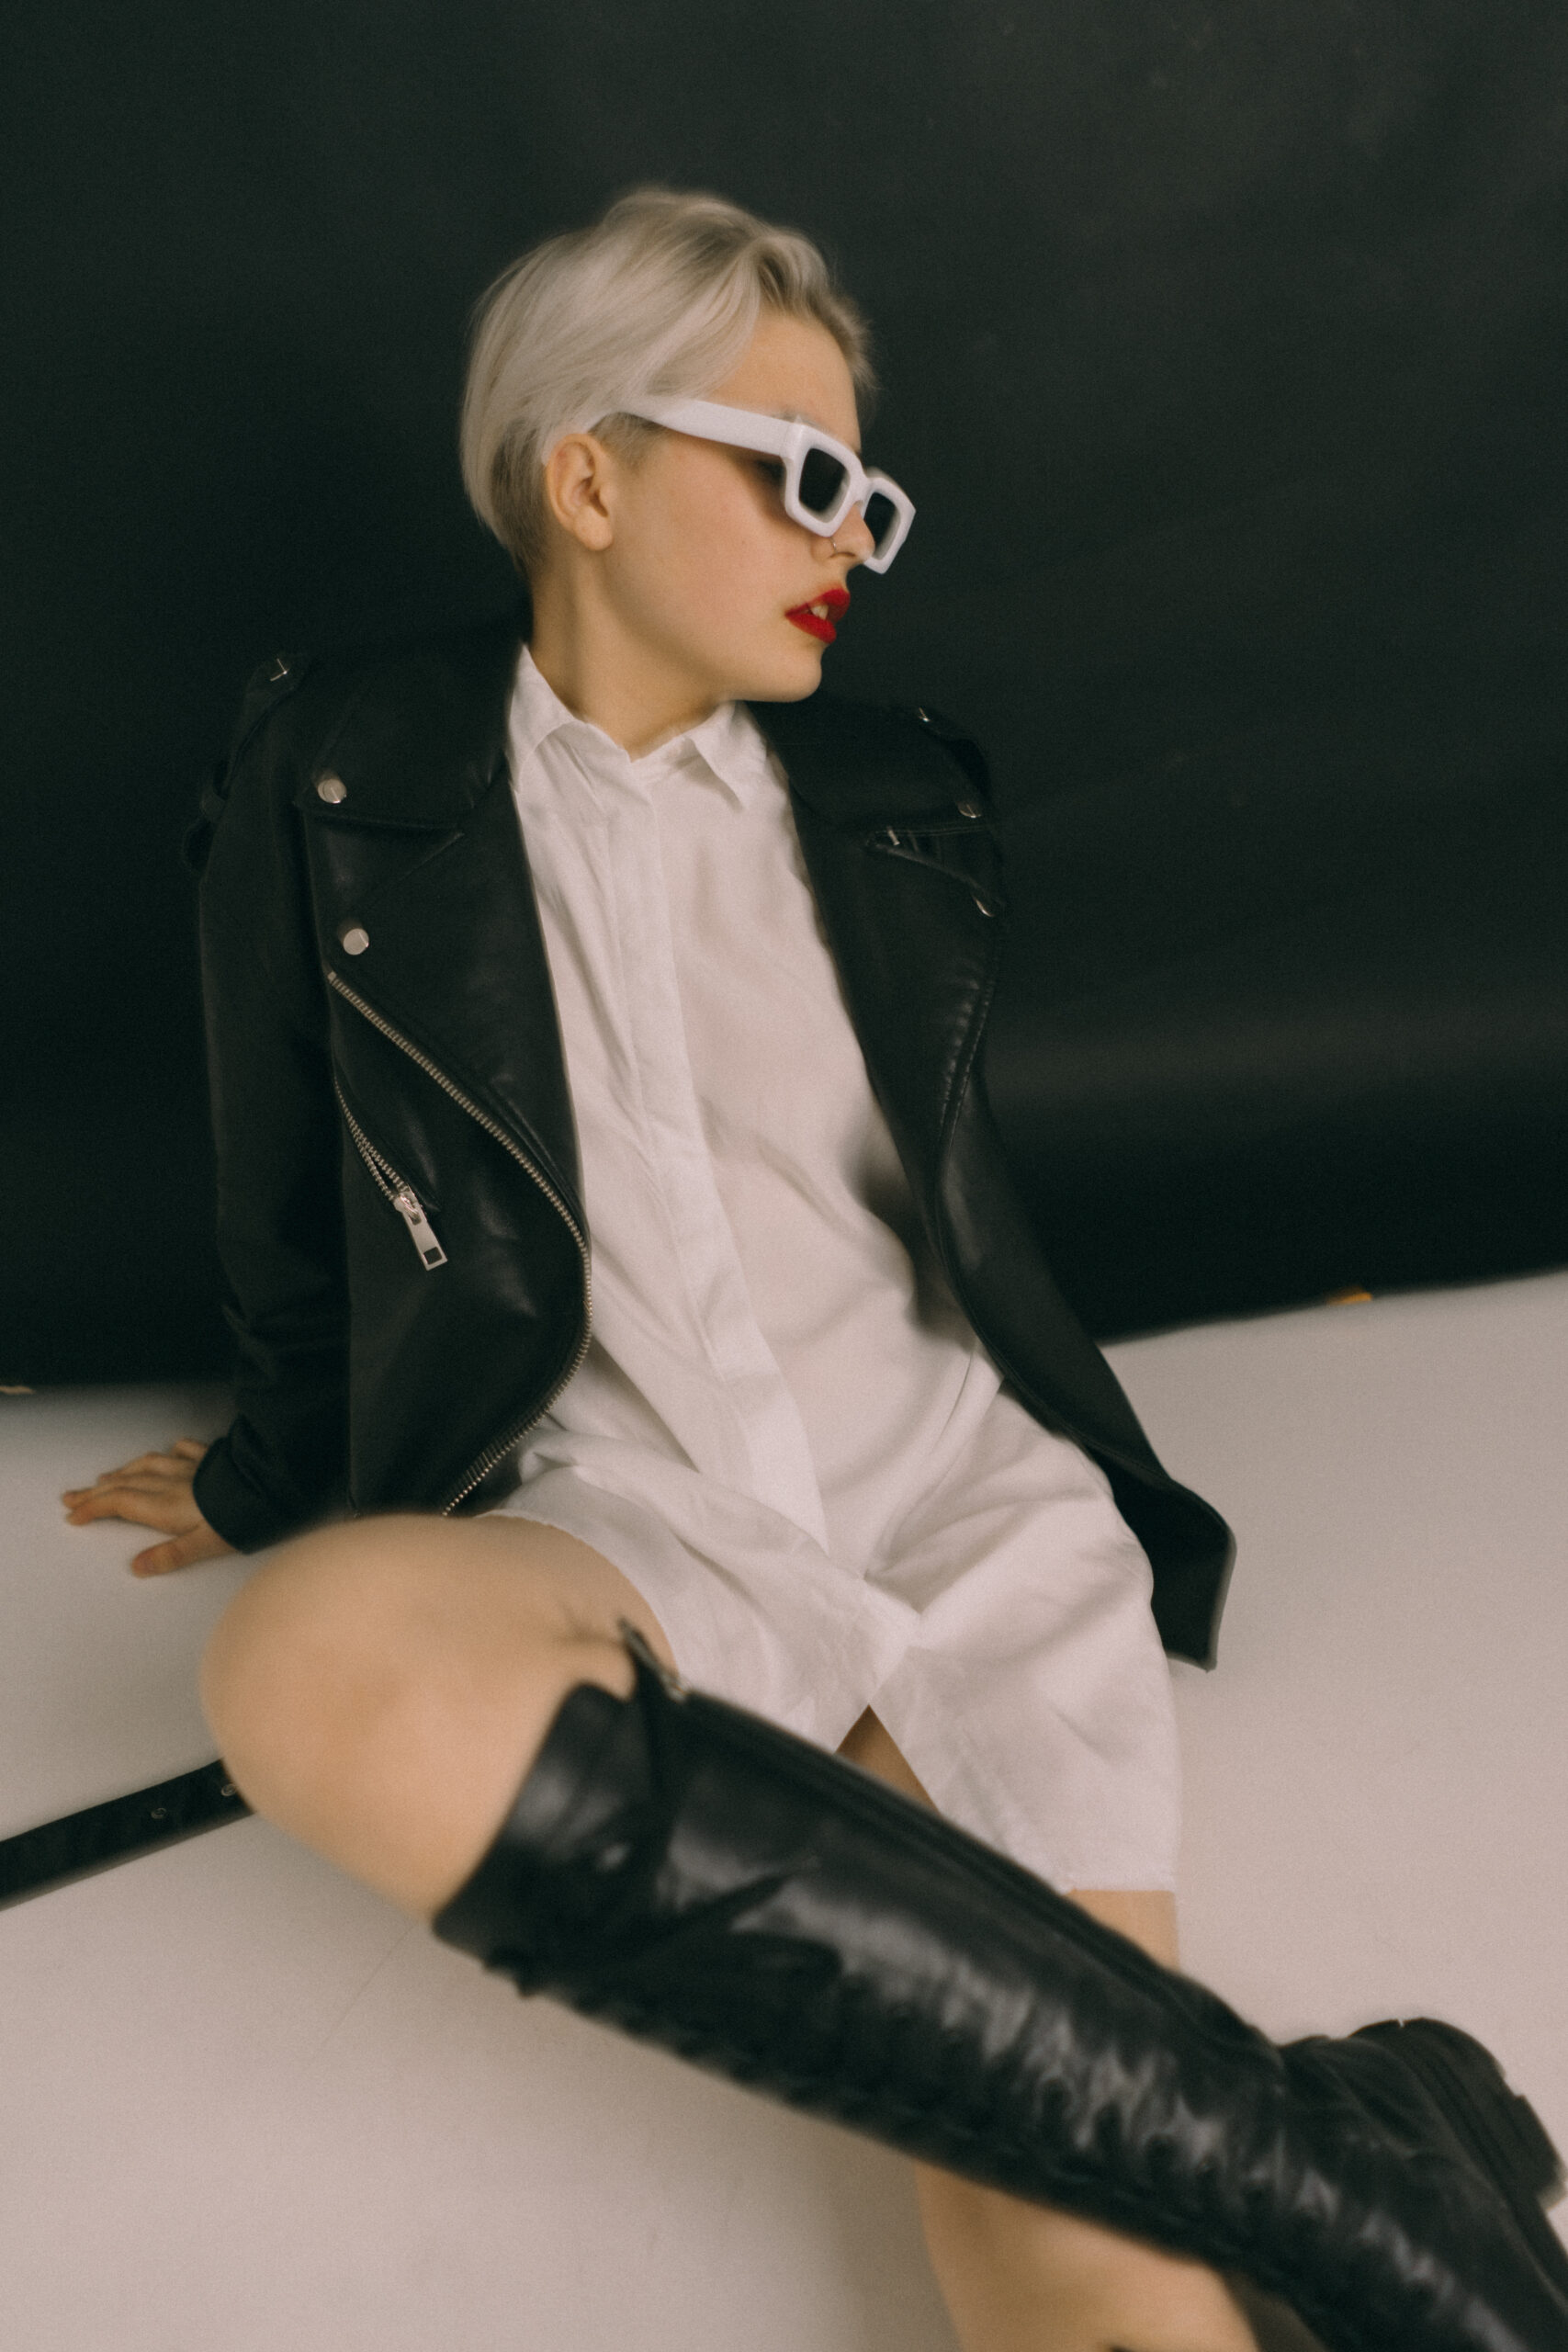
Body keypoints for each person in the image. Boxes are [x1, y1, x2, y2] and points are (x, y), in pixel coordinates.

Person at [63, 188, 1567, 2351]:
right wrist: (270, 1462)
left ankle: (1324, 2172)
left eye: (869, 494)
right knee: (311, 1658)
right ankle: (1363, 2164)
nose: (849, 536)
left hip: (955, 1506)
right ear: (584, 478)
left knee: (1069, 2251)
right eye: (796, 473)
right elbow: (289, 1184)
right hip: (630, 1515)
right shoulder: (342, 770)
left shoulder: (893, 796)